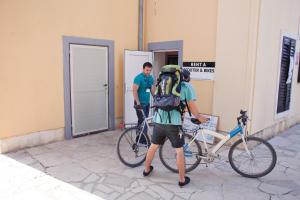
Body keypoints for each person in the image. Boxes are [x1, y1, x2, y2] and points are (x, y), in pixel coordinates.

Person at [143, 69, 208, 187]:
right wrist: (199, 117)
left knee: (153, 146)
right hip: (174, 123)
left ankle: (146, 170)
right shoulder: (187, 86)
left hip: (158, 120)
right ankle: (182, 179)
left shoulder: (162, 83)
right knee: (179, 150)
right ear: (187, 78)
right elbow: (192, 106)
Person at [132, 62, 155, 143]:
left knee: (145, 121)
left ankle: (143, 138)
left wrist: (155, 98)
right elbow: (134, 91)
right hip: (139, 103)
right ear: (143, 69)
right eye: (147, 70)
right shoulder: (138, 78)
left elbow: (151, 89)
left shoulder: (151, 78)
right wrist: (138, 103)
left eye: (149, 70)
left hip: (147, 103)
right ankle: (139, 139)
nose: (148, 72)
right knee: (141, 120)